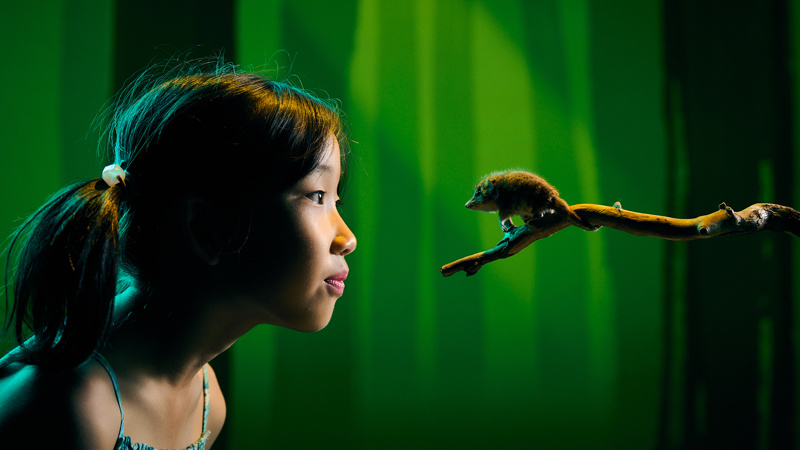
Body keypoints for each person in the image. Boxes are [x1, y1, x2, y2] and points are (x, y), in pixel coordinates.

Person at [0, 58, 357, 449]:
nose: (348, 238)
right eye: (317, 196)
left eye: (335, 200)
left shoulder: (206, 402)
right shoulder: (71, 407)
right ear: (206, 230)